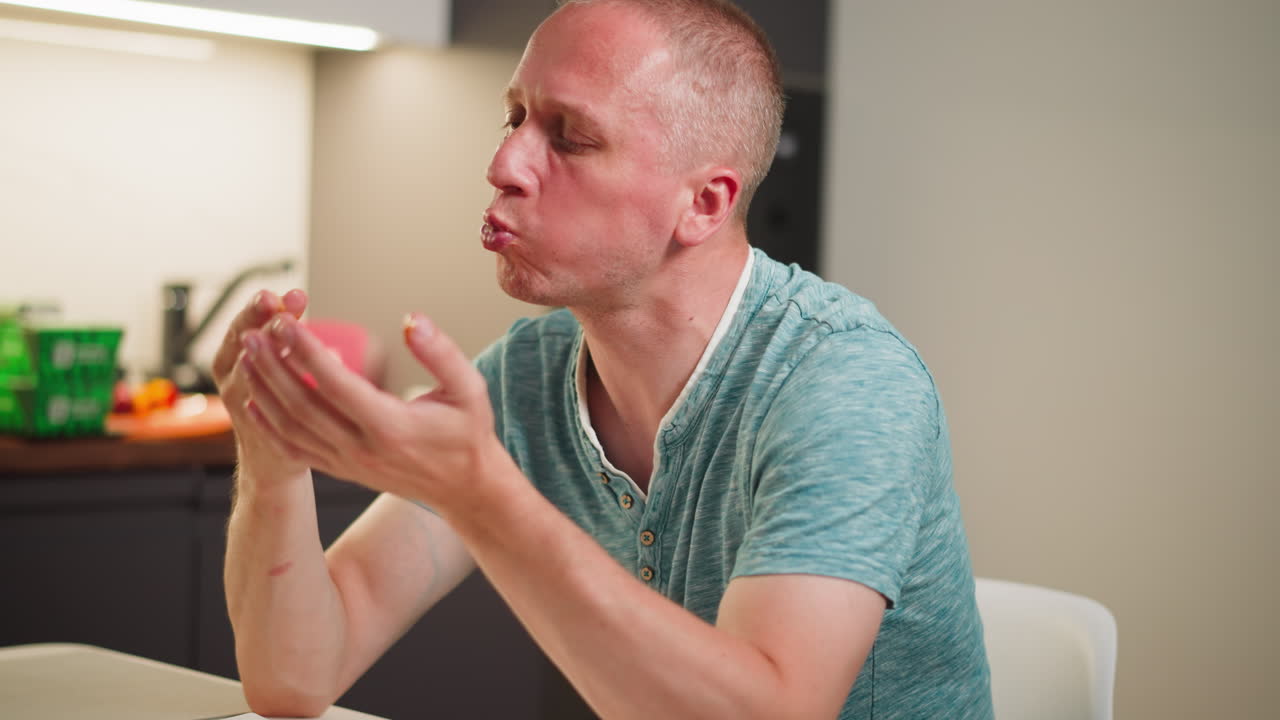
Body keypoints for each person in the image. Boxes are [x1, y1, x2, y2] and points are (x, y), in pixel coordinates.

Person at [214, 0, 994, 717]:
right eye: (513, 116)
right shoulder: (526, 378)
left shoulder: (843, 381)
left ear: (704, 204)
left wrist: (482, 497)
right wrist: (271, 451)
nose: (504, 165)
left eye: (570, 137)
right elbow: (296, 676)